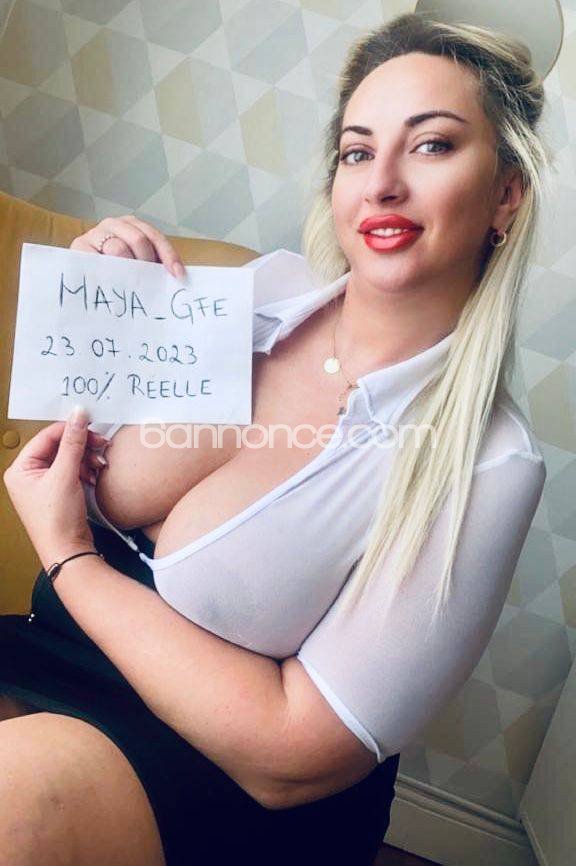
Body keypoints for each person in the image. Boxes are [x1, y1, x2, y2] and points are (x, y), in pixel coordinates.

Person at [0, 12, 550, 866]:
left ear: (506, 192)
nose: (382, 184)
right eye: (358, 152)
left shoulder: (491, 463)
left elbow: (295, 758)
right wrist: (103, 309)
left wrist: (70, 556)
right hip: (54, 647)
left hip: (217, 770)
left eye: (432, 145)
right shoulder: (263, 290)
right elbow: (83, 464)